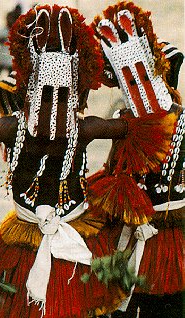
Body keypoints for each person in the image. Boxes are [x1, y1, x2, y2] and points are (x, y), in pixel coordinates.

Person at [0, 3, 177, 318]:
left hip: (72, 239)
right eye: (44, 95)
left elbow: (152, 129)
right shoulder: (19, 127)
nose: (52, 106)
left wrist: (138, 74)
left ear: (75, 96)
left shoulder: (83, 128)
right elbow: (152, 127)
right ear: (28, 91)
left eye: (61, 96)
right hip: (27, 243)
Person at [90, 1, 184, 317]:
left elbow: (111, 171)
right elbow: (113, 171)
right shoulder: (131, 120)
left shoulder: (132, 121)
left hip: (163, 240)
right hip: (143, 236)